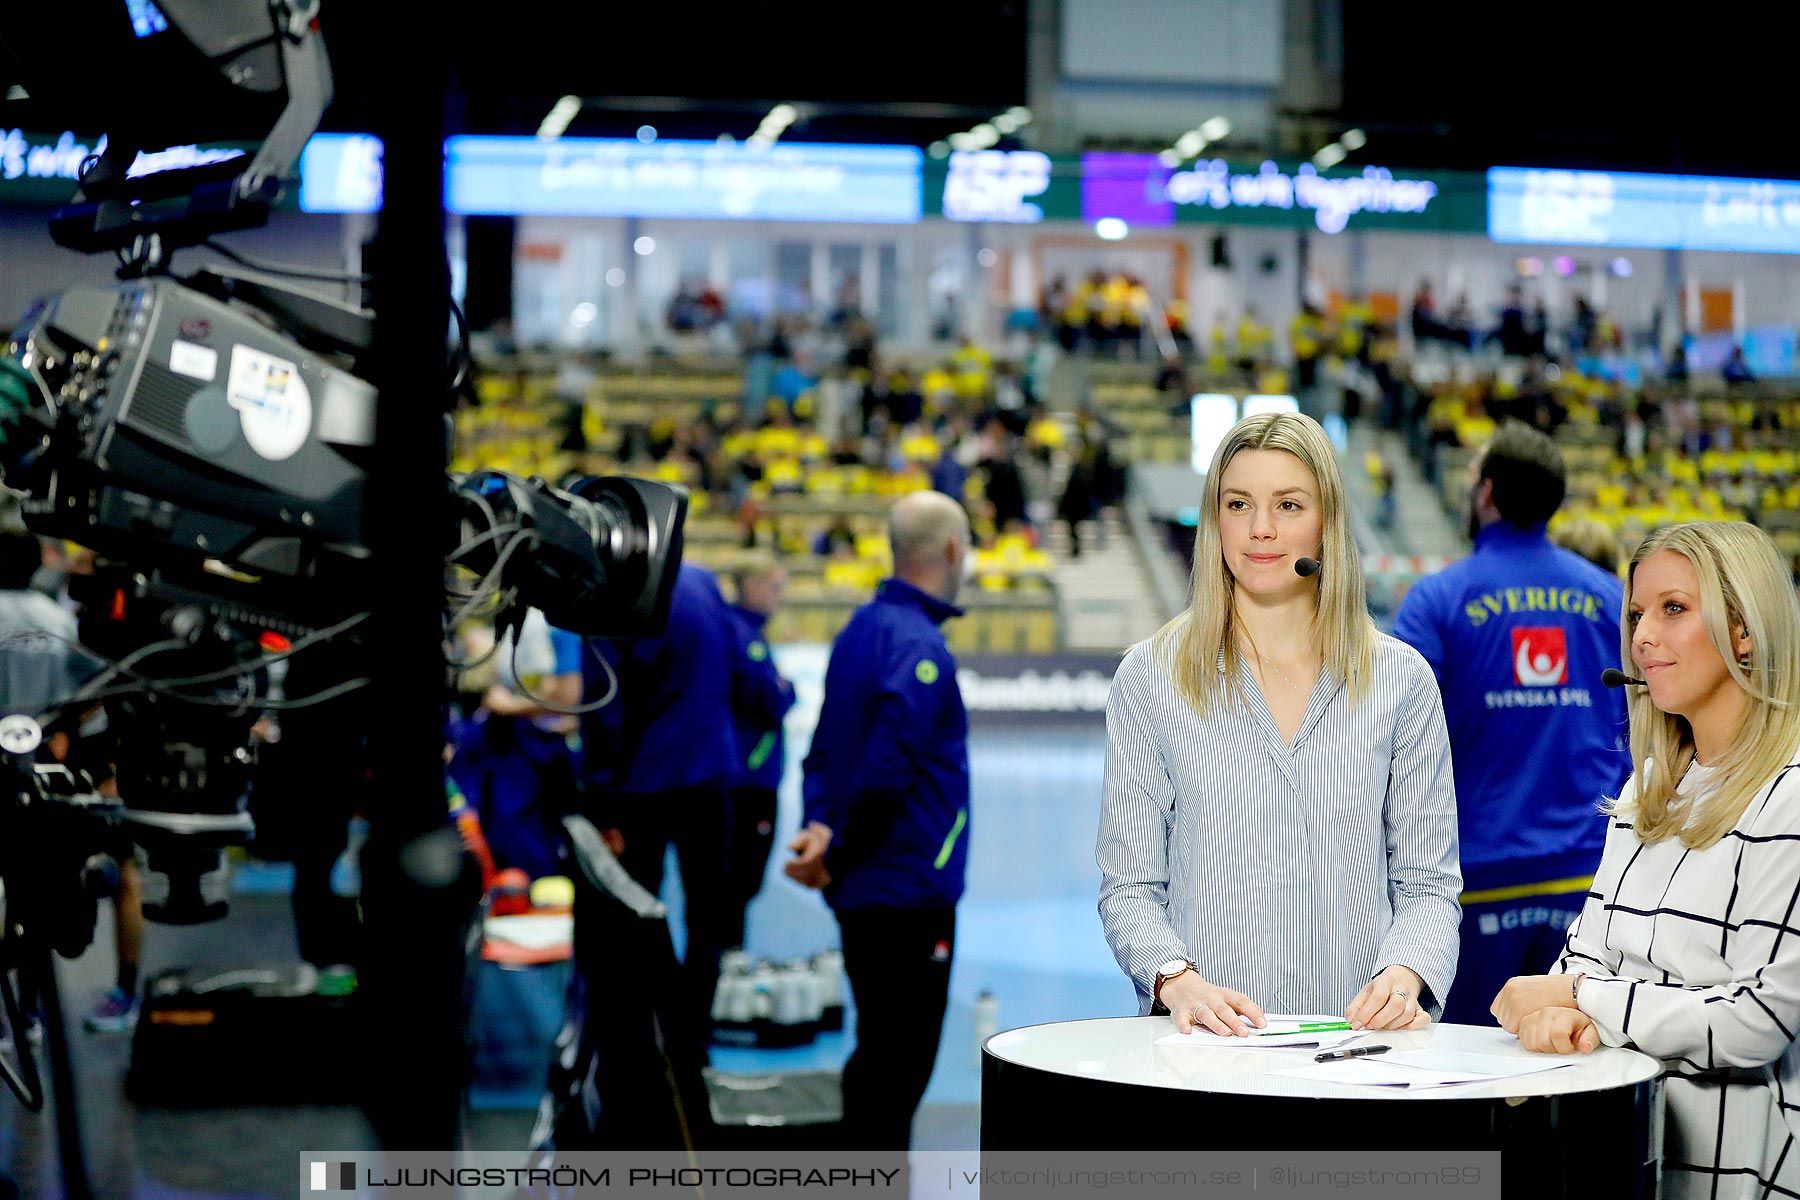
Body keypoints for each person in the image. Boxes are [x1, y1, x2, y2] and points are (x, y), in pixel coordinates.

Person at [1098, 412, 1461, 1038]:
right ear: (1215, 521)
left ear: (1328, 523)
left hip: (1359, 1060)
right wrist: (1177, 979)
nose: (1261, 530)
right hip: (1210, 1061)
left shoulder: (1401, 682)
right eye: (1239, 505)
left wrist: (1407, 974)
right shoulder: (1150, 677)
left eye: (1288, 505)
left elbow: (1429, 881)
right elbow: (1128, 883)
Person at [1490, 521, 1800, 1198]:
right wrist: (1565, 1011)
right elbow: (1581, 959)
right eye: (1636, 614)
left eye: (1673, 609)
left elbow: (1756, 1022)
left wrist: (1581, 1001)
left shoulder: (1792, 795)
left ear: (1744, 632)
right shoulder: (1645, 789)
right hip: (1627, 1154)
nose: (1643, 637)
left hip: (1740, 1172)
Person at [1392, 421, 1630, 1025]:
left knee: (1463, 1075)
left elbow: (1389, 740)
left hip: (1474, 881)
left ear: (1486, 494)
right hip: (1590, 880)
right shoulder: (1613, 600)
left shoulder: (1436, 601)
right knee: (1575, 1071)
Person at [786, 490, 972, 1148]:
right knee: (899, 1069)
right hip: (906, 893)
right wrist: (833, 850)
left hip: (864, 889)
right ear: (953, 551)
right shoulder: (919, 648)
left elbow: (822, 751)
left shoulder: (860, 630)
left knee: (877, 1055)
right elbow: (887, 771)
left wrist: (818, 827)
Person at [722, 557, 795, 950]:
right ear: (751, 586)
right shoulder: (745, 636)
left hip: (748, 774)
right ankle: (724, 969)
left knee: (736, 885)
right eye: (775, 587)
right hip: (749, 779)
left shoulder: (746, 632)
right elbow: (772, 696)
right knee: (738, 882)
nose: (779, 598)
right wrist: (787, 690)